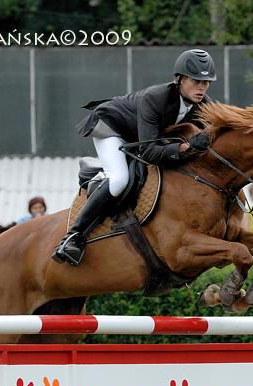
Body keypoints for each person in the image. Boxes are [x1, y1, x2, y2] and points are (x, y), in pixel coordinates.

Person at [52, 48, 217, 266]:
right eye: (196, 81)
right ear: (179, 79)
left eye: (206, 82)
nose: (202, 87)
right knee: (120, 179)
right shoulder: (155, 98)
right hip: (113, 128)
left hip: (139, 138)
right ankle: (73, 237)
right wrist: (184, 148)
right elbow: (149, 152)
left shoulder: (203, 105)